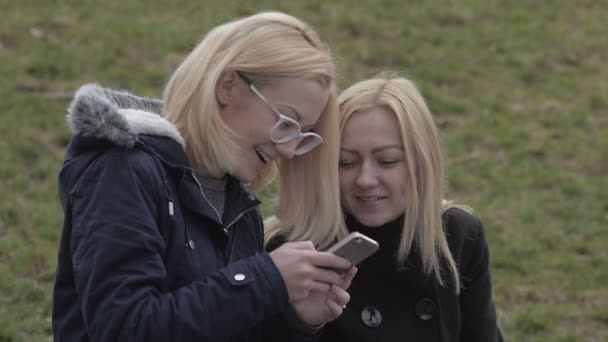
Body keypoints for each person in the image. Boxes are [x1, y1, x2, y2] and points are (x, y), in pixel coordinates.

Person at [52, 12, 356, 342]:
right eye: (287, 123)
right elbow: (126, 327)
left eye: (304, 134)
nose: (289, 151)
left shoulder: (241, 208)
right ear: (228, 87)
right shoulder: (123, 171)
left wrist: (297, 320)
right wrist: (265, 278)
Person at [274, 75, 503, 341]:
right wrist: (302, 322)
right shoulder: (291, 249)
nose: (365, 180)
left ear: (421, 162)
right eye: (347, 162)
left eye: (387, 161)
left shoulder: (456, 233)